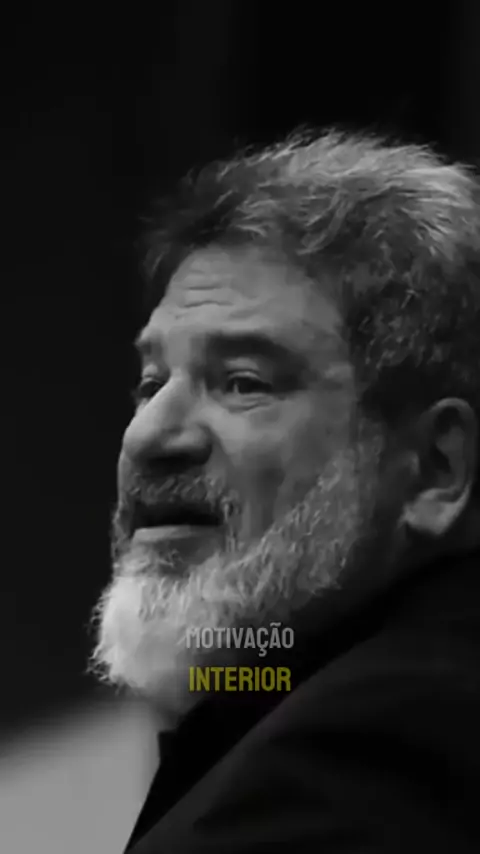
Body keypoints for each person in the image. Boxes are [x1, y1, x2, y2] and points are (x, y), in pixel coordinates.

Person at [90, 130, 480, 852]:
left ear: (434, 467)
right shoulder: (274, 687)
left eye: (243, 383)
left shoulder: (372, 748)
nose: (147, 435)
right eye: (150, 383)